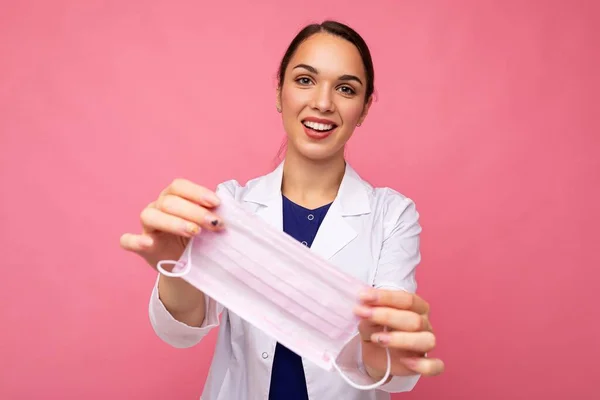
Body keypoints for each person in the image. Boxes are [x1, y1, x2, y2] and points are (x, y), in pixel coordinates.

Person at [120, 20, 444, 400]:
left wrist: (386, 353)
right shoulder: (231, 205)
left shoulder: (392, 216)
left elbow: (389, 363)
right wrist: (178, 268)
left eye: (345, 88)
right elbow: (181, 331)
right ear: (279, 92)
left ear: (365, 108)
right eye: (305, 80)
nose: (323, 102)